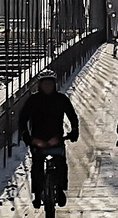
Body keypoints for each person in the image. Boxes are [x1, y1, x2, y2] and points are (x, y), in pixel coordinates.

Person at [18, 69, 79, 208]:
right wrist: (25, 134)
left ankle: (61, 189)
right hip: (38, 140)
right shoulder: (33, 100)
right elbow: (23, 118)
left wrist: (74, 130)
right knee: (37, 167)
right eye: (45, 84)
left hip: (56, 138)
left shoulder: (61, 99)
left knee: (61, 164)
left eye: (50, 84)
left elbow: (72, 115)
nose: (48, 87)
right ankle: (37, 194)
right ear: (40, 85)